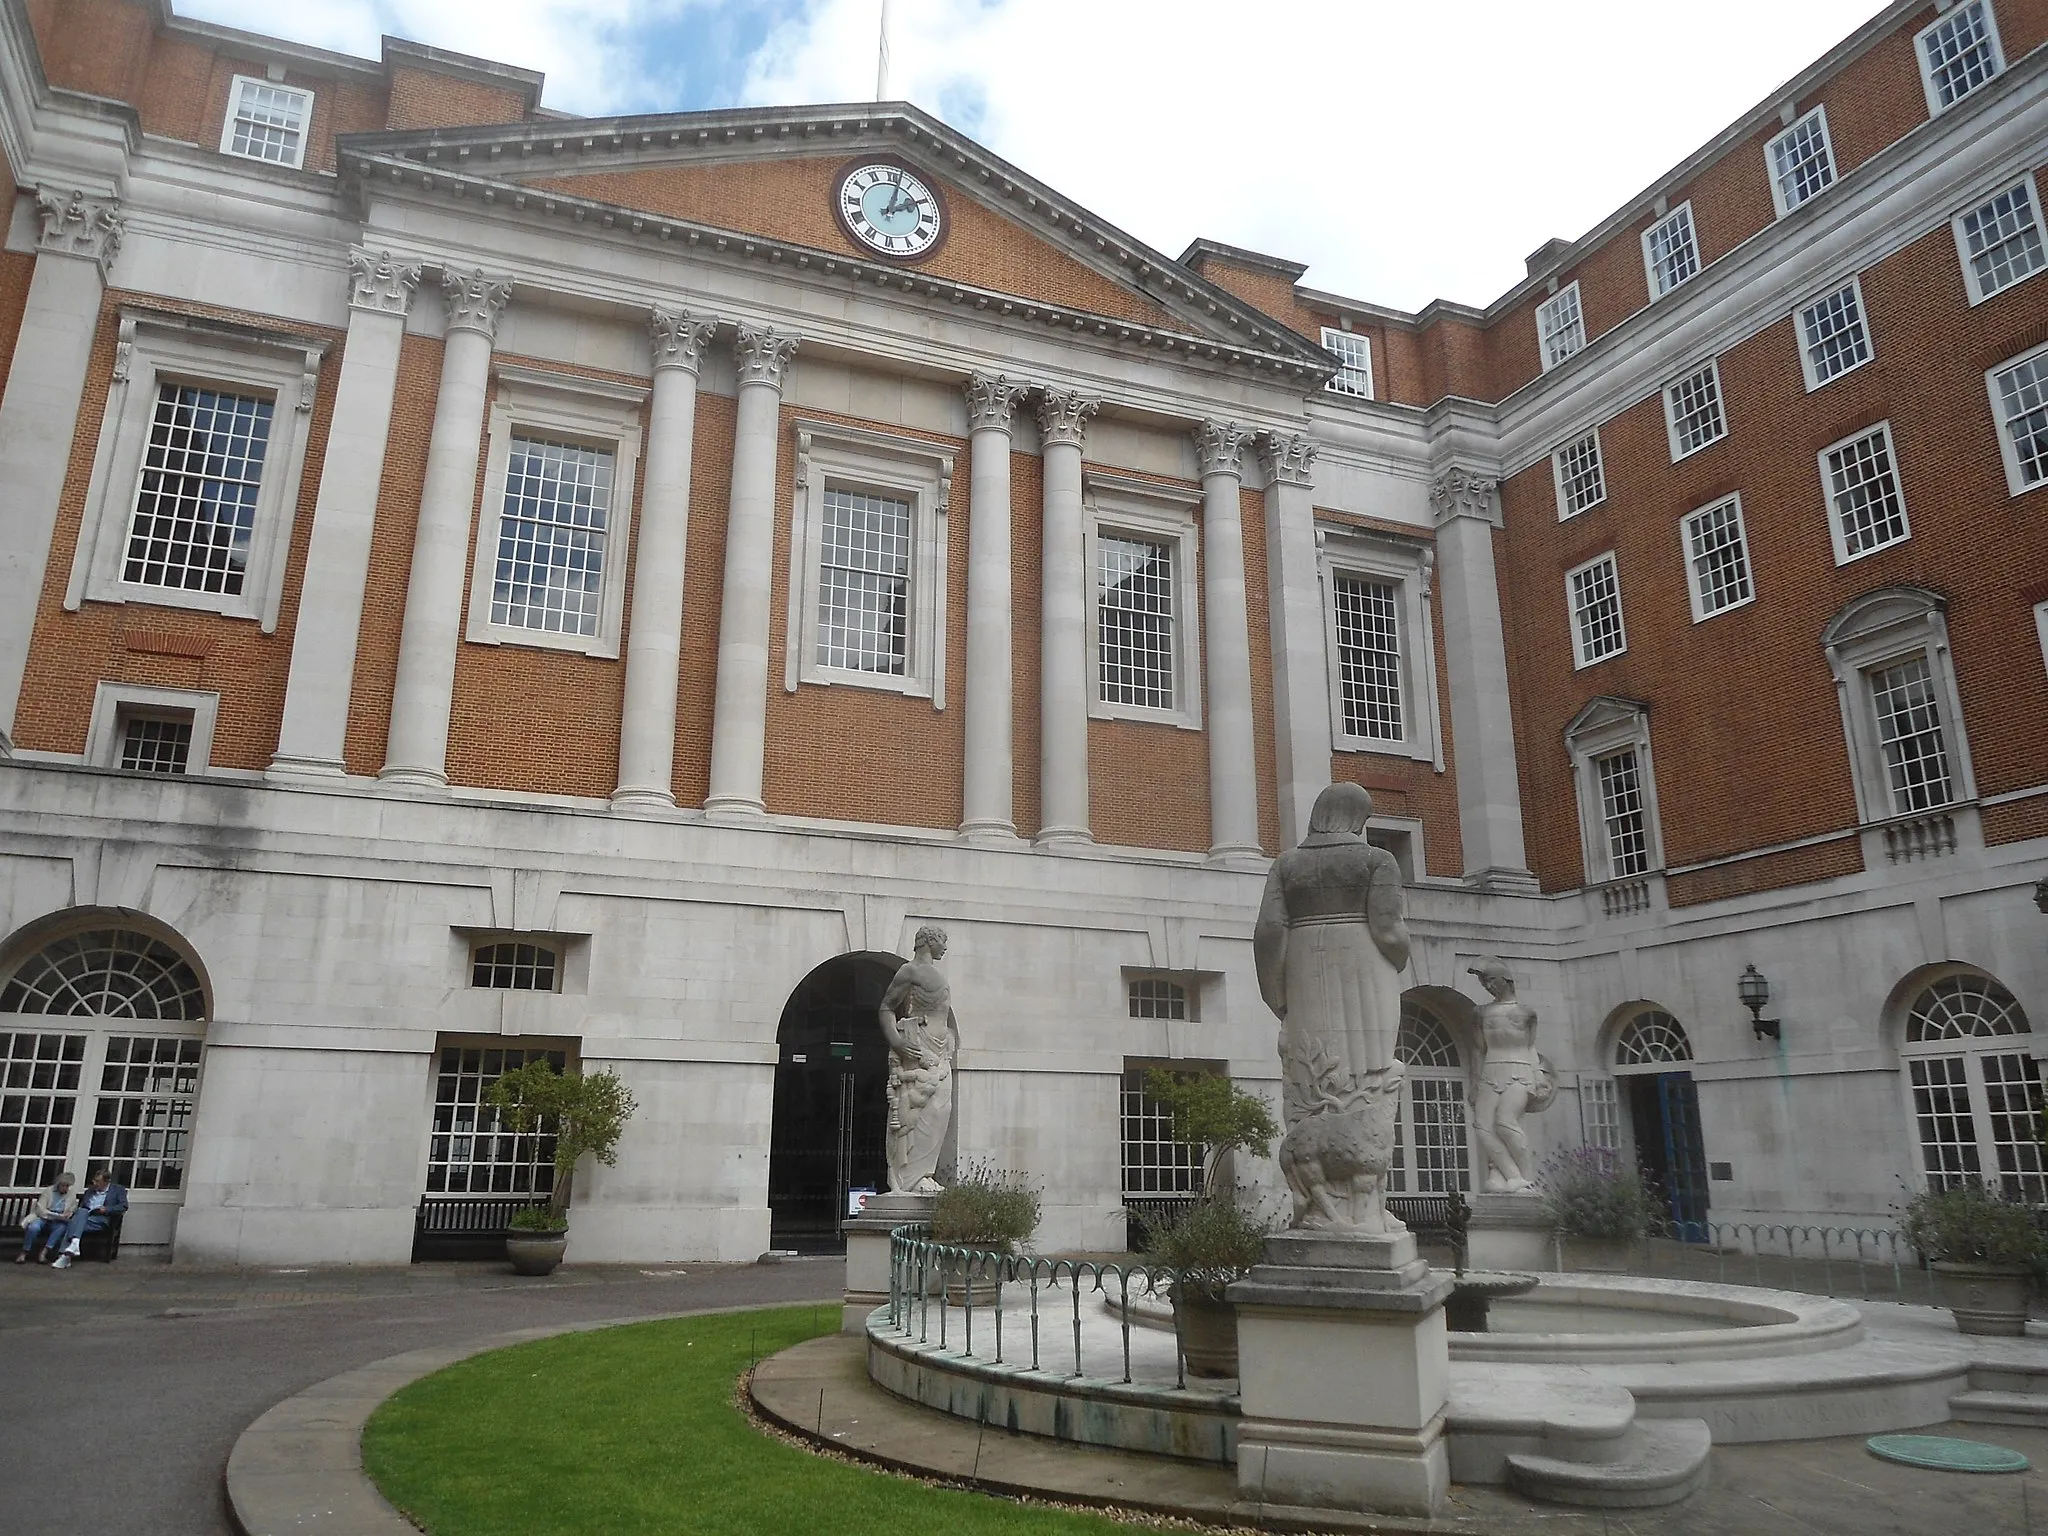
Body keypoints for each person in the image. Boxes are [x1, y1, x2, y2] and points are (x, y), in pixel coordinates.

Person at [878, 925, 957, 1194]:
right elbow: (886, 1008)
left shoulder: (936, 972)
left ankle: (925, 1173)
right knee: (916, 1109)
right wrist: (899, 1044)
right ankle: (909, 1178)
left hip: (940, 1048)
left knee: (940, 1111)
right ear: (928, 942)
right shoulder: (908, 971)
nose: (945, 947)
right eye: (942, 941)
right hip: (918, 1045)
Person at [1469, 958, 1544, 1193]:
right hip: (1491, 1069)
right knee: (1482, 1126)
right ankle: (1509, 1174)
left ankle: (1527, 1177)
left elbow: (1531, 1047)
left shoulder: (1526, 1013)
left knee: (1505, 1120)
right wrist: (1475, 1081)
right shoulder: (1480, 1013)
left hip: (1519, 1069)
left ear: (1506, 980)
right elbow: (1479, 1049)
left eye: (1490, 979)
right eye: (1484, 981)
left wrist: (1539, 1076)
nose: (1487, 985)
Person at [49, 1167, 129, 1269]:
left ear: (106, 1182)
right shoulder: (89, 1191)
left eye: (98, 1181)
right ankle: (73, 1246)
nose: (94, 1183)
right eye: (94, 1180)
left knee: (73, 1222)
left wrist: (106, 1209)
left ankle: (65, 1254)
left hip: (101, 1219)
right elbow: (83, 1206)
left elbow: (123, 1206)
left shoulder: (118, 1190)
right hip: (86, 1218)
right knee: (81, 1212)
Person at [16, 1173, 77, 1263]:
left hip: (58, 1220)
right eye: (63, 1186)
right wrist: (53, 1215)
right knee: (33, 1228)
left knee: (61, 1228)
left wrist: (69, 1213)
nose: (65, 1188)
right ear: (58, 1184)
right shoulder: (48, 1191)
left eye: (67, 1186)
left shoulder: (71, 1194)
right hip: (43, 1217)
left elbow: (73, 1207)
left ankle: (44, 1252)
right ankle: (24, 1252)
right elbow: (40, 1209)